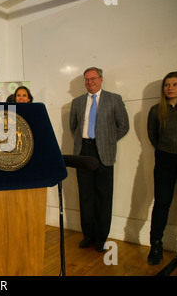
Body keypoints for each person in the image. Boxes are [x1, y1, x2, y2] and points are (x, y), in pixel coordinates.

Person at [69, 67, 129, 252]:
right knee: (86, 196)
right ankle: (88, 235)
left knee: (103, 196)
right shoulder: (77, 102)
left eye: (93, 78)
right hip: (83, 151)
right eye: (86, 79)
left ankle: (101, 238)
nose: (90, 82)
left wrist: (107, 141)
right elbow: (74, 127)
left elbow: (123, 126)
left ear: (101, 79)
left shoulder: (114, 99)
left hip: (104, 152)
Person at [147, 71, 177, 266]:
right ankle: (156, 246)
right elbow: (153, 136)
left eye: (175, 84)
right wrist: (165, 151)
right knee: (161, 204)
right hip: (165, 160)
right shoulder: (156, 110)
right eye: (167, 84)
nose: (170, 88)